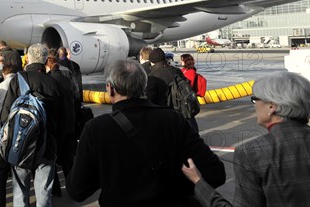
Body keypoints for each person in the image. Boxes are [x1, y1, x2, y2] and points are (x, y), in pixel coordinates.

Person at [67, 60, 225, 206]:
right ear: (143, 86)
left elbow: (77, 191)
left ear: (110, 88)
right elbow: (216, 173)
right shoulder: (173, 120)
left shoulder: (96, 129)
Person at [182, 71, 310, 207]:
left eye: (256, 99)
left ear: (271, 106)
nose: (255, 105)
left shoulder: (252, 152)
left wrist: (198, 182)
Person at [0, 43, 62, 207]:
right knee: (43, 196)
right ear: (45, 60)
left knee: (20, 193)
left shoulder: (18, 81)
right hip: (47, 146)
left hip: (20, 145)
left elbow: (5, 114)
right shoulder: (53, 83)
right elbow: (61, 118)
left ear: (28, 59)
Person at [0, 48, 21, 207]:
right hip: (20, 133)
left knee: (1, 171)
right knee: (19, 171)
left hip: (3, 134)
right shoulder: (24, 86)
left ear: (3, 72)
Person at [47, 49, 78, 197]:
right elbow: (76, 95)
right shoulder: (67, 77)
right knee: (68, 160)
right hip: (70, 122)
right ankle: (72, 187)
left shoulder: (48, 80)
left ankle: (56, 190)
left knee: (52, 158)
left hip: (56, 125)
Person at [147, 48, 199, 132]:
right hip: (182, 110)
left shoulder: (152, 76)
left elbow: (150, 99)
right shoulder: (177, 71)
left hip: (165, 116)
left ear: (151, 62)